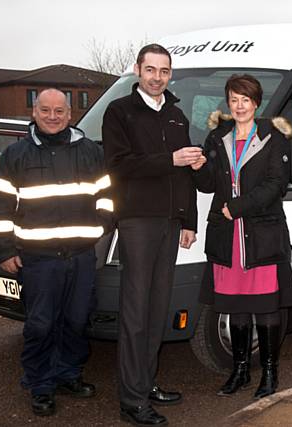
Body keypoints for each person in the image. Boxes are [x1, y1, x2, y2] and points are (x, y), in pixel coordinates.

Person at [0, 88, 112, 416]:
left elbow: (107, 195)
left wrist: (101, 224)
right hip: (39, 260)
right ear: (34, 113)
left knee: (76, 320)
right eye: (45, 110)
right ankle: (40, 383)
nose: (53, 116)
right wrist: (3, 250)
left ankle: (68, 374)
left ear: (70, 115)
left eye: (59, 111)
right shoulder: (16, 155)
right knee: (40, 324)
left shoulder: (89, 152)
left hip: (81, 256)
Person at [102, 44, 204, 426]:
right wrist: (169, 160)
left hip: (170, 223)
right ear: (137, 70)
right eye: (151, 69)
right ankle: (131, 400)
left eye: (164, 71)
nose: (157, 77)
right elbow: (117, 165)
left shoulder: (176, 115)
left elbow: (185, 173)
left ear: (170, 74)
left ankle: (145, 384)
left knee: (157, 309)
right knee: (135, 312)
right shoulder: (120, 112)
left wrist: (189, 220)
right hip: (137, 221)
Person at [192, 74, 292, 399]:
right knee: (235, 308)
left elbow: (276, 185)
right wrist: (198, 167)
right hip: (227, 237)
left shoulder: (273, 137)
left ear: (256, 103)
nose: (239, 106)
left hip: (261, 234)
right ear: (228, 102)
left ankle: (269, 374)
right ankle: (239, 372)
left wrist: (238, 207)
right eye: (234, 99)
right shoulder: (217, 137)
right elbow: (209, 185)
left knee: (266, 307)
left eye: (246, 100)